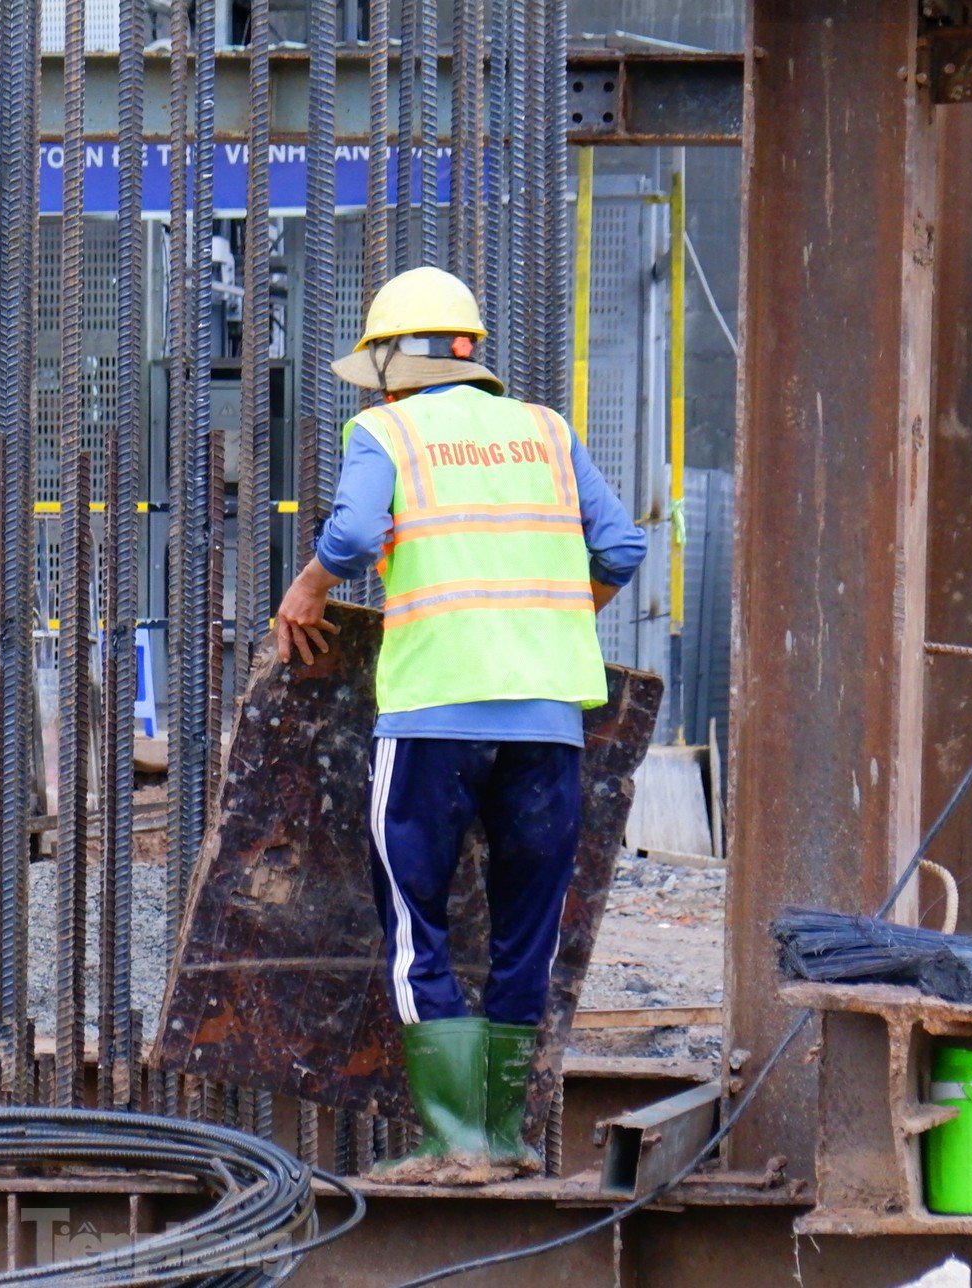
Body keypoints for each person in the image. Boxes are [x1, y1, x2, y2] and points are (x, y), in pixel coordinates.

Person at [274, 267, 647, 1180]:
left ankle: (453, 1141)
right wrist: (545, 617)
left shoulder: (386, 429)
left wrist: (309, 588)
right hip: (548, 722)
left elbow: (357, 538)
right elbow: (623, 548)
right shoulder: (545, 432)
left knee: (416, 919)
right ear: (470, 355)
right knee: (528, 928)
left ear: (396, 359)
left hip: (434, 713)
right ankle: (510, 1136)